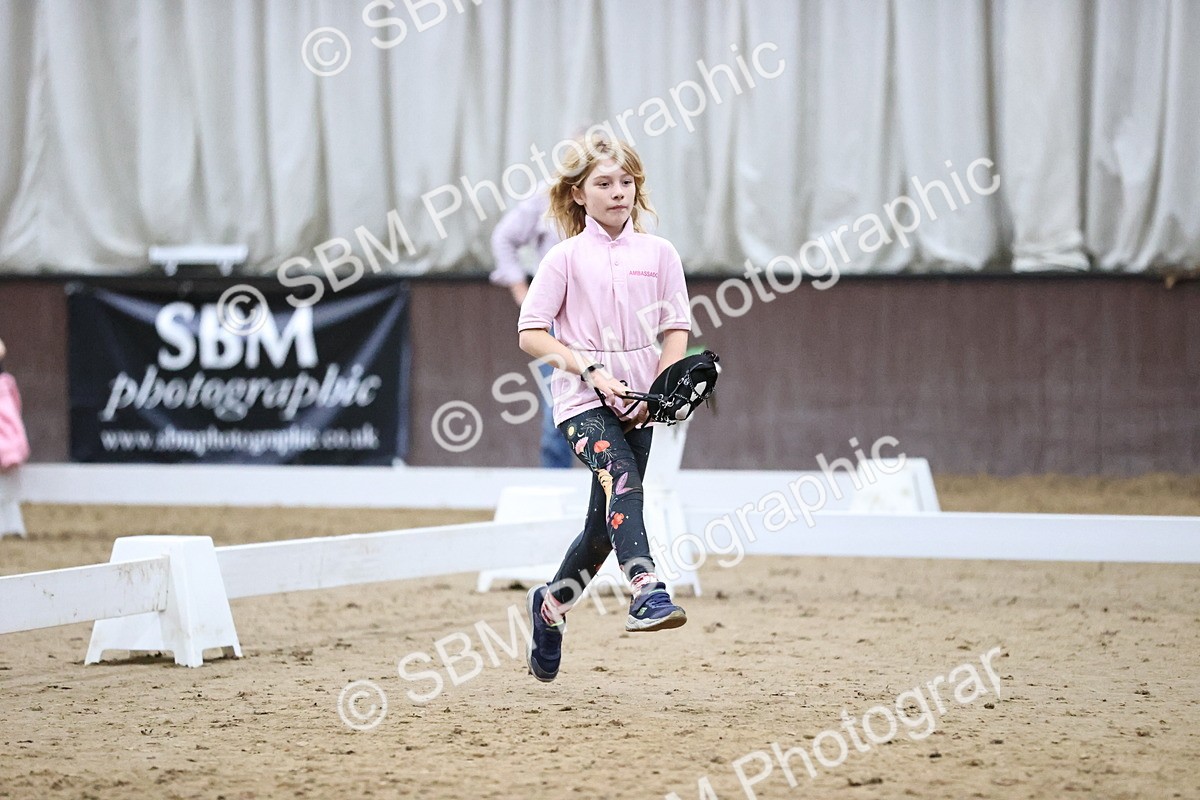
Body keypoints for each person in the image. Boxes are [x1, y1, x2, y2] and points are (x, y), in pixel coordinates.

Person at [517, 137, 692, 682]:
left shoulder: (660, 254)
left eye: (626, 181)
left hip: (639, 404)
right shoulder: (563, 258)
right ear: (579, 194)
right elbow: (530, 334)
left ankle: (549, 609)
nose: (619, 192)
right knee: (623, 479)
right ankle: (646, 587)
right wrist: (587, 368)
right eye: (604, 183)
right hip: (580, 402)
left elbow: (676, 328)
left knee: (601, 529)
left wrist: (661, 392)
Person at [490, 188, 575, 469]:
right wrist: (519, 288)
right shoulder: (547, 195)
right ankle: (555, 484)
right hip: (557, 316)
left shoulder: (617, 197)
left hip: (605, 316)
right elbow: (503, 237)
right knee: (557, 407)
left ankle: (617, 490)